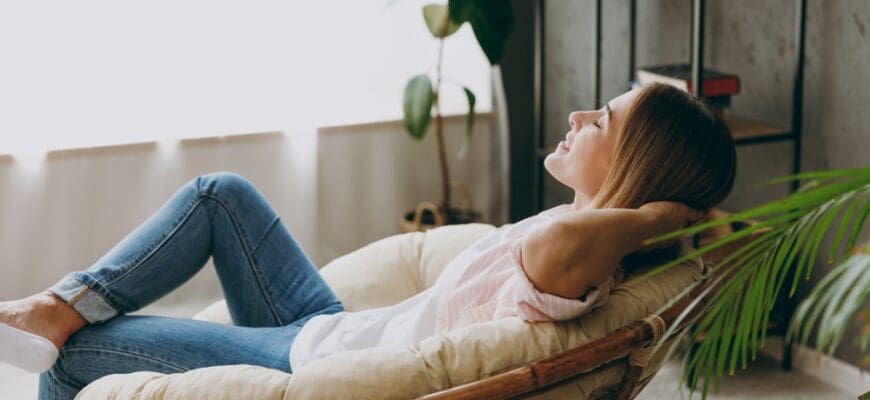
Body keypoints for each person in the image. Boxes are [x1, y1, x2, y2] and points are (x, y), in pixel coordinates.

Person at [0, 82, 736, 399]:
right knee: (220, 195)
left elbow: (577, 243)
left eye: (601, 121)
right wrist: (668, 214)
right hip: (340, 329)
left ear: (636, 172)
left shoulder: (572, 257)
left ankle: (61, 318)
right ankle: (64, 301)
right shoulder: (571, 238)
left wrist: (661, 214)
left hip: (312, 359)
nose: (577, 115)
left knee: (76, 356)